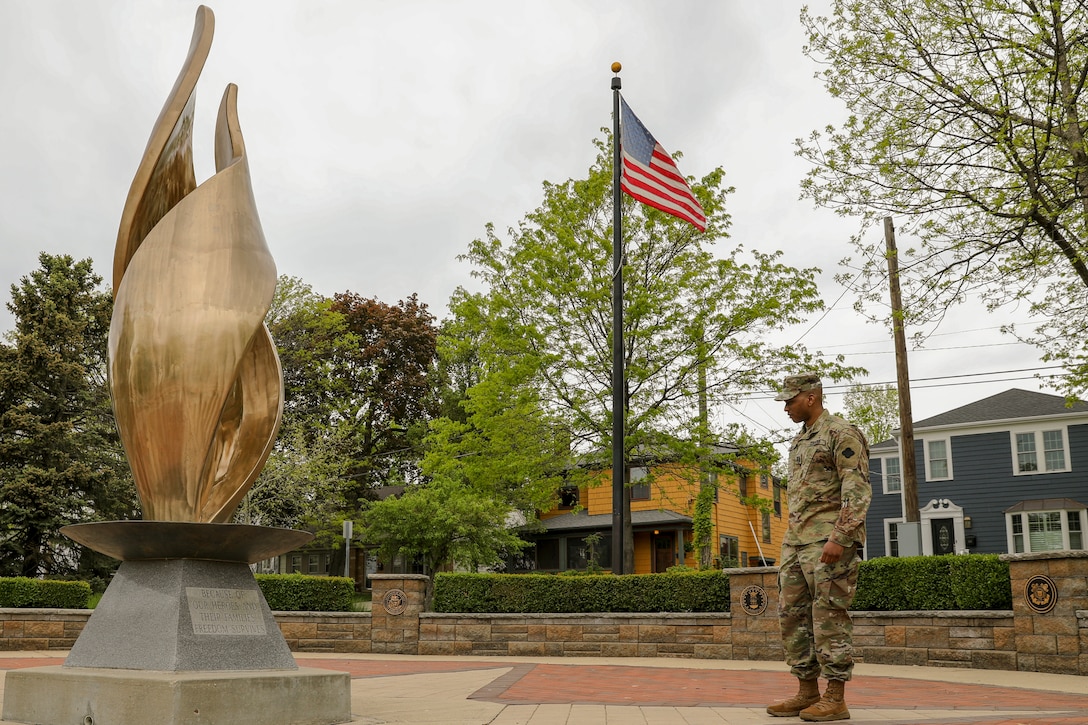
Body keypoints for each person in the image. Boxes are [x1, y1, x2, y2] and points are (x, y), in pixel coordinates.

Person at [766, 373, 871, 722]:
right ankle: (807, 691)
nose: (785, 407)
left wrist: (839, 538)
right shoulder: (799, 442)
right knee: (792, 616)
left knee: (829, 615)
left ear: (810, 397)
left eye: (790, 400)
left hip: (828, 541)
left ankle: (836, 697)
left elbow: (856, 490)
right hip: (796, 541)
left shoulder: (841, 433)